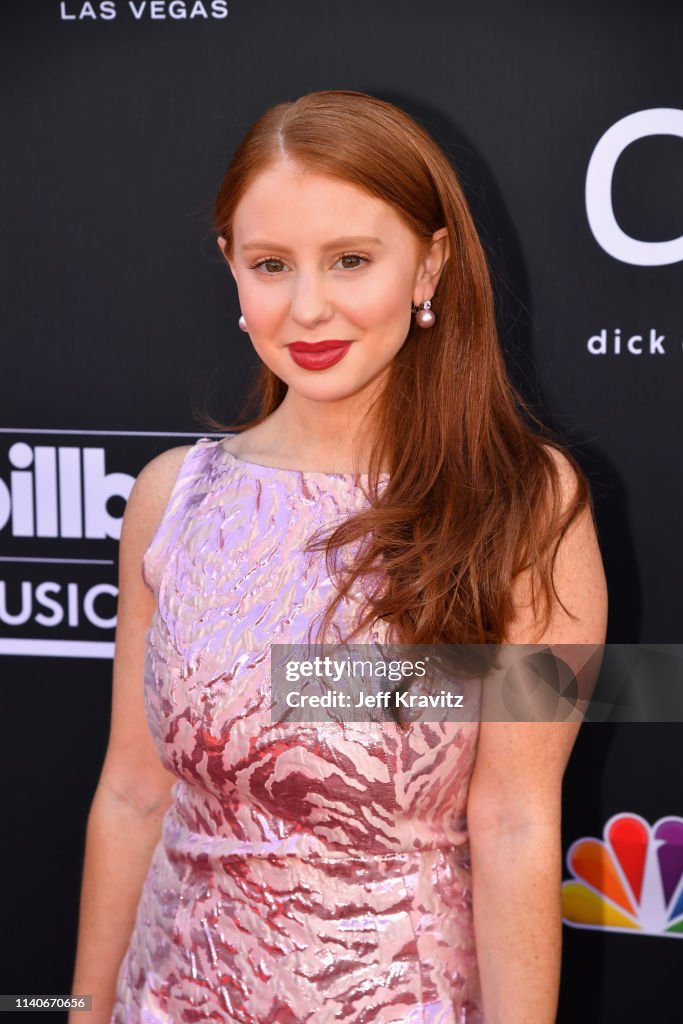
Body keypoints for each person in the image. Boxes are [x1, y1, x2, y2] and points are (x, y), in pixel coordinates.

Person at [69, 90, 608, 1024]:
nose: (307, 307)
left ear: (428, 265)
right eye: (270, 264)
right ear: (231, 268)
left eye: (351, 260)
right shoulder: (172, 500)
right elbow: (130, 792)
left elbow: (515, 823)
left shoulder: (521, 503)